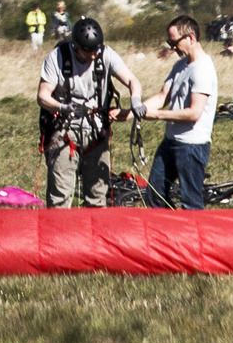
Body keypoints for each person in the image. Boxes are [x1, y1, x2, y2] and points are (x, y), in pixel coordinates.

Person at [35, 16, 143, 208]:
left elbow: (132, 80)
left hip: (96, 133)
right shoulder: (58, 57)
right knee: (59, 197)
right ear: (75, 46)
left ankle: (94, 226)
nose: (93, 56)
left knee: (97, 197)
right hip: (64, 133)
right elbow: (42, 96)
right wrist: (62, 107)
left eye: (96, 50)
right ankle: (58, 227)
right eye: (88, 51)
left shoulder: (106, 54)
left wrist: (135, 99)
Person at [142, 15, 217, 209]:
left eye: (174, 42)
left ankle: (192, 230)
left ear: (191, 38)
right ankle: (165, 228)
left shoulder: (203, 69)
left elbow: (194, 113)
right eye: (170, 43)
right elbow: (162, 97)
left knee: (191, 204)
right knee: (155, 196)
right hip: (171, 141)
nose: (173, 48)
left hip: (192, 146)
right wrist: (133, 112)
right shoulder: (181, 65)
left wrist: (157, 115)